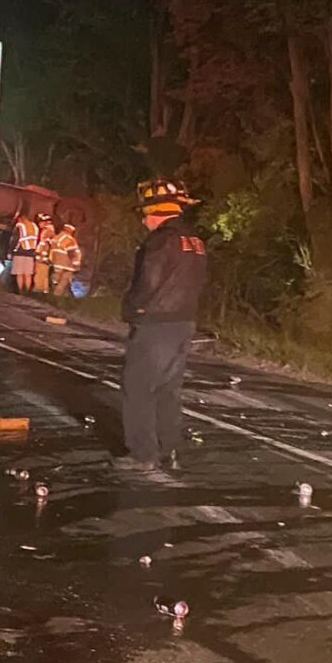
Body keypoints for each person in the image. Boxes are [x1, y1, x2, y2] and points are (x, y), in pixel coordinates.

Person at [120, 179, 208, 474]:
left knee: (138, 388)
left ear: (155, 211)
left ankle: (142, 455)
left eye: (144, 212)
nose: (143, 219)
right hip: (184, 322)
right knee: (168, 389)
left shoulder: (160, 240)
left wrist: (133, 308)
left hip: (156, 324)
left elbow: (148, 283)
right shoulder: (194, 241)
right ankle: (170, 449)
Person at [47, 222, 83, 297]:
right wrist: (76, 264)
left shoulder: (55, 238)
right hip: (67, 265)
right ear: (71, 230)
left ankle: (52, 296)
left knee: (55, 281)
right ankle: (56, 298)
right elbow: (72, 253)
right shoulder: (69, 239)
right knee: (63, 283)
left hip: (56, 264)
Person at [9, 211, 38, 293]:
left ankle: (21, 291)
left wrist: (10, 251)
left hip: (19, 252)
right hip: (31, 253)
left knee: (19, 273)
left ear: (19, 219)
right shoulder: (34, 226)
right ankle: (28, 291)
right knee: (28, 274)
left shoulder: (20, 226)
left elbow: (14, 240)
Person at [31, 212, 56, 294]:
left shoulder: (46, 231)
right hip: (46, 258)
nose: (39, 224)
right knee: (44, 275)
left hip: (42, 257)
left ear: (45, 222)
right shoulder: (51, 231)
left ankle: (38, 291)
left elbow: (43, 244)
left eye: (40, 222)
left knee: (39, 274)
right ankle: (44, 291)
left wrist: (38, 253)